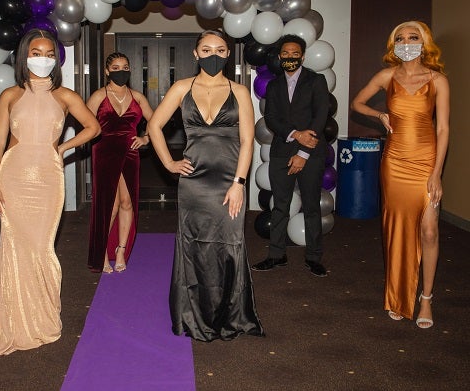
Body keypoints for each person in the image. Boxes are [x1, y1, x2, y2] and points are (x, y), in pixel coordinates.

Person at [0, 29, 100, 355]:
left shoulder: (65, 96)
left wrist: (64, 147)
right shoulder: (11, 95)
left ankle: (41, 317)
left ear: (56, 59)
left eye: (49, 53)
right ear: (24, 56)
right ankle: (15, 319)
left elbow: (93, 127)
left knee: (42, 248)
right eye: (36, 53)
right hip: (13, 175)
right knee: (15, 246)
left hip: (48, 179)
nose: (43, 59)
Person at [147, 29, 264, 341]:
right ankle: (193, 315)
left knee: (230, 245)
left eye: (221, 50)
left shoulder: (240, 90)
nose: (214, 55)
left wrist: (239, 183)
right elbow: (154, 125)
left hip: (230, 180)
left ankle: (231, 316)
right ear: (195, 54)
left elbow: (247, 141)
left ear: (228, 55)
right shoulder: (181, 87)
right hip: (194, 183)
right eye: (207, 49)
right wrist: (169, 163)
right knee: (193, 246)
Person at [351, 21, 449, 328]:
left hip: (426, 161)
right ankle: (397, 295)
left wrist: (437, 174)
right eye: (401, 38)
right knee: (397, 228)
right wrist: (379, 114)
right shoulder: (386, 76)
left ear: (424, 42)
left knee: (429, 230)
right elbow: (357, 103)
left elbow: (443, 128)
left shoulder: (437, 80)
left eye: (413, 37)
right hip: (394, 162)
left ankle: (426, 299)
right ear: (394, 45)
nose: (407, 42)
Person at [251, 34, 330, 277]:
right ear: (279, 56)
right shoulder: (273, 85)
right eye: (285, 54)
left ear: (303, 56)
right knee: (280, 206)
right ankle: (276, 255)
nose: (290, 57)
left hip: (312, 153)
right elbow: (272, 118)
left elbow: (321, 116)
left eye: (295, 53)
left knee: (311, 207)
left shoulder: (316, 81)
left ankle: (314, 257)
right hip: (281, 153)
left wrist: (304, 153)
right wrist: (295, 134)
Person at [86, 52, 154, 273]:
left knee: (127, 203)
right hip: (104, 152)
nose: (121, 71)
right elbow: (86, 125)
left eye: (125, 67)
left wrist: (145, 138)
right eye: (115, 67)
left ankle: (121, 250)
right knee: (110, 205)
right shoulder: (98, 96)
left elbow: (156, 123)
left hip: (130, 154)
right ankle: (103, 251)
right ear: (107, 71)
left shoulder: (138, 97)